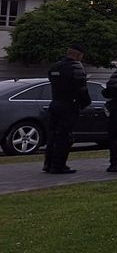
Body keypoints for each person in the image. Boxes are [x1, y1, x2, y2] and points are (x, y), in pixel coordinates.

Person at [44, 44, 91, 174]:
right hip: (69, 105)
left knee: (53, 135)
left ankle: (48, 164)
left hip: (55, 103)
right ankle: (58, 166)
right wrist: (85, 103)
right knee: (64, 137)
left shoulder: (55, 66)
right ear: (78, 55)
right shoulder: (76, 68)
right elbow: (82, 89)